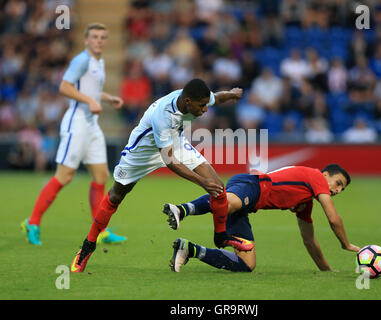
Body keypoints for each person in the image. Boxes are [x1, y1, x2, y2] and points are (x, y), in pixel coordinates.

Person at [70, 78, 251, 273]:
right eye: (202, 106)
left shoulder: (194, 98)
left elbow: (216, 97)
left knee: (218, 186)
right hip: (142, 153)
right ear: (188, 101)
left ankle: (221, 236)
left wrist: (232, 94)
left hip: (175, 144)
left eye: (206, 105)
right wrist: (201, 182)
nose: (205, 110)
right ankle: (87, 247)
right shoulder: (163, 116)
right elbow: (169, 161)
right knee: (115, 196)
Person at [21, 23, 127, 245]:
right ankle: (33, 222)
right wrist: (89, 101)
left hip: (92, 124)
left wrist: (107, 98)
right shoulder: (81, 60)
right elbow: (64, 87)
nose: (99, 40)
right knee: (65, 176)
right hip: (76, 122)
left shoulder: (99, 62)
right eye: (95, 37)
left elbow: (92, 90)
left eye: (103, 37)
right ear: (86, 40)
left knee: (101, 176)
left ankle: (100, 230)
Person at [167, 164, 361, 273]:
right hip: (252, 186)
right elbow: (333, 218)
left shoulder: (304, 202)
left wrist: (326, 271)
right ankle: (182, 209)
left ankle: (189, 249)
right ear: (325, 174)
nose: (337, 190)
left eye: (341, 189)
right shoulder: (316, 176)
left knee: (246, 265)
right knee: (227, 204)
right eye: (337, 183)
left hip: (248, 206)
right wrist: (346, 244)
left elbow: (309, 241)